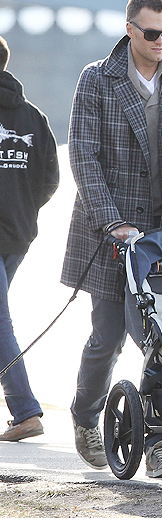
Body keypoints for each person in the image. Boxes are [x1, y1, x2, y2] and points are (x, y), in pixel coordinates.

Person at [60, 0, 162, 477]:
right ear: (130, 30)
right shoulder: (97, 80)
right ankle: (86, 418)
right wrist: (114, 223)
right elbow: (83, 157)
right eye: (153, 33)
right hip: (110, 235)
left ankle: (157, 443)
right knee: (106, 337)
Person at [0, 36, 59, 442]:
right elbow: (51, 179)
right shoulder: (34, 116)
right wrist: (23, 212)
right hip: (18, 237)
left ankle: (25, 411)